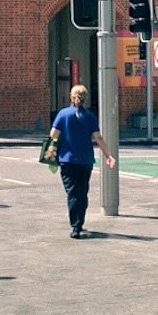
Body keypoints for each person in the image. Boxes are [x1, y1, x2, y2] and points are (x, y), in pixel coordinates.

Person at [45, 83, 116, 238]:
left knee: (72, 192)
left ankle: (75, 226)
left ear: (71, 96)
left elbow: (53, 135)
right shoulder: (90, 116)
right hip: (85, 161)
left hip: (67, 160)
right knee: (83, 192)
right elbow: (98, 137)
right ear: (85, 99)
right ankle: (79, 223)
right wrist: (108, 155)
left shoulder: (63, 114)